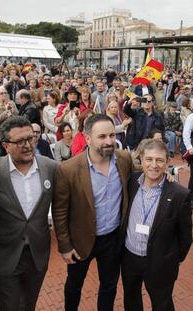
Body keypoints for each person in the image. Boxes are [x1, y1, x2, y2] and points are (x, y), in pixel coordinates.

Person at [53, 114, 132, 311]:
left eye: (112, 135)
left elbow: (143, 173)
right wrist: (64, 245)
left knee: (109, 286)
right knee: (74, 286)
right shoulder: (68, 169)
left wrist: (166, 174)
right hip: (81, 240)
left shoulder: (123, 159)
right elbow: (60, 210)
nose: (109, 141)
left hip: (112, 239)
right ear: (88, 139)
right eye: (102, 136)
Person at [0, 116, 58, 311]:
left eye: (31, 138)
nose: (27, 145)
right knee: (8, 306)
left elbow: (61, 208)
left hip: (37, 253)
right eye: (20, 141)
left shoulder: (50, 168)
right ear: (5, 145)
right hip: (5, 254)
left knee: (29, 304)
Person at [121, 139, 192, 311]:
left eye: (159, 160)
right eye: (149, 159)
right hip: (129, 257)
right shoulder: (131, 182)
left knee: (162, 304)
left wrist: (173, 258)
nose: (154, 165)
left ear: (167, 162)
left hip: (160, 262)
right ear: (142, 160)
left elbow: (185, 237)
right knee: (131, 299)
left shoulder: (179, 194)